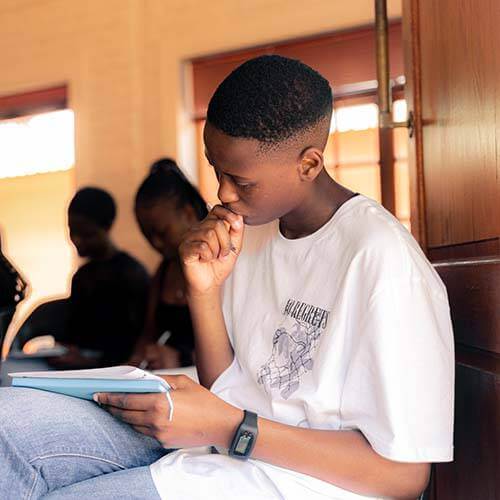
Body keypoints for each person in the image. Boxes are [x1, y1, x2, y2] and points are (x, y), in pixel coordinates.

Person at [0, 55, 454, 499]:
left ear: (309, 164)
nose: (222, 193)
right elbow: (228, 389)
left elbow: (405, 477)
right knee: (6, 427)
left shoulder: (382, 263)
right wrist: (204, 291)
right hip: (224, 449)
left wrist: (230, 426)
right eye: (216, 170)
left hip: (300, 481)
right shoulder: (252, 232)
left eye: (241, 180)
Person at [49, 187, 150, 368]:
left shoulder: (132, 275)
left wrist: (90, 362)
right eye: (72, 231)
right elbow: (74, 332)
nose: (78, 240)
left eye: (87, 234)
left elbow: (134, 345)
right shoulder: (81, 276)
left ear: (107, 227)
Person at [129, 159, 208, 369]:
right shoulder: (163, 273)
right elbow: (148, 336)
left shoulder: (225, 265)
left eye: (162, 232)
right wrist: (135, 363)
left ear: (189, 213)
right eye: (147, 235)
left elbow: (240, 347)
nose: (155, 243)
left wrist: (181, 358)